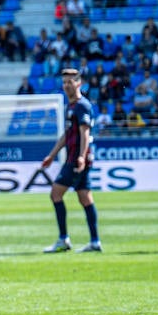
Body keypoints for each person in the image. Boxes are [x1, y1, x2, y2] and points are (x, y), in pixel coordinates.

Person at [39, 69, 101, 253]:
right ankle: (95, 242)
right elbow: (67, 135)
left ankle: (63, 239)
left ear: (79, 83)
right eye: (64, 83)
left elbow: (85, 133)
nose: (66, 86)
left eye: (70, 82)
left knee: (55, 194)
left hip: (76, 160)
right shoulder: (71, 106)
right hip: (78, 158)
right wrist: (52, 155)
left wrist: (81, 157)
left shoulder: (82, 106)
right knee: (85, 198)